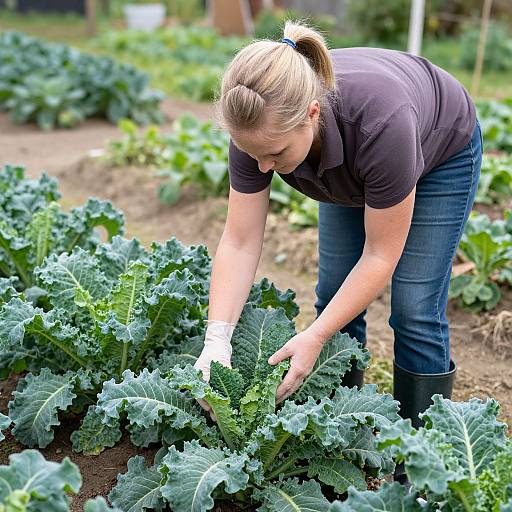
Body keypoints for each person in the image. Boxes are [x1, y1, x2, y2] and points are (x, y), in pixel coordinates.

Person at [194, 20, 482, 485]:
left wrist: (315, 336)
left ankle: (422, 468)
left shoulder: (380, 123)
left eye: (275, 154)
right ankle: (344, 437)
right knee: (333, 298)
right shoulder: (256, 132)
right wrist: (217, 339)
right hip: (350, 166)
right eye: (254, 155)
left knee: (414, 309)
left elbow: (379, 257)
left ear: (311, 114)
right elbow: (240, 240)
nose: (263, 167)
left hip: (436, 153)